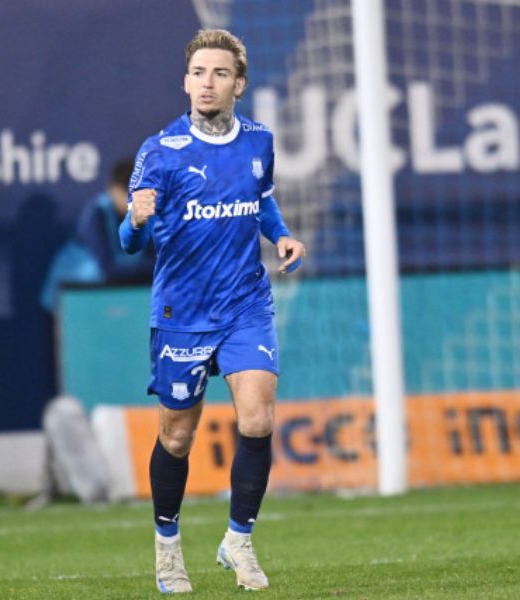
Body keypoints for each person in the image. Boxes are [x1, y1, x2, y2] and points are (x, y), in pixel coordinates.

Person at [119, 29, 305, 593]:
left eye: (220, 73)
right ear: (185, 82)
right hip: (183, 312)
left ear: (238, 84)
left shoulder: (259, 141)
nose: (208, 83)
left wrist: (281, 234)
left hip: (246, 303)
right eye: (199, 73)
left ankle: (238, 540)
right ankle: (167, 547)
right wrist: (137, 219)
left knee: (258, 420)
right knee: (177, 436)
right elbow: (128, 242)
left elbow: (261, 200)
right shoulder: (160, 151)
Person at [39, 159, 154, 313]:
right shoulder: (96, 215)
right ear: (113, 189)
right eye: (126, 195)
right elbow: (108, 268)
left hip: (116, 300)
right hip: (72, 299)